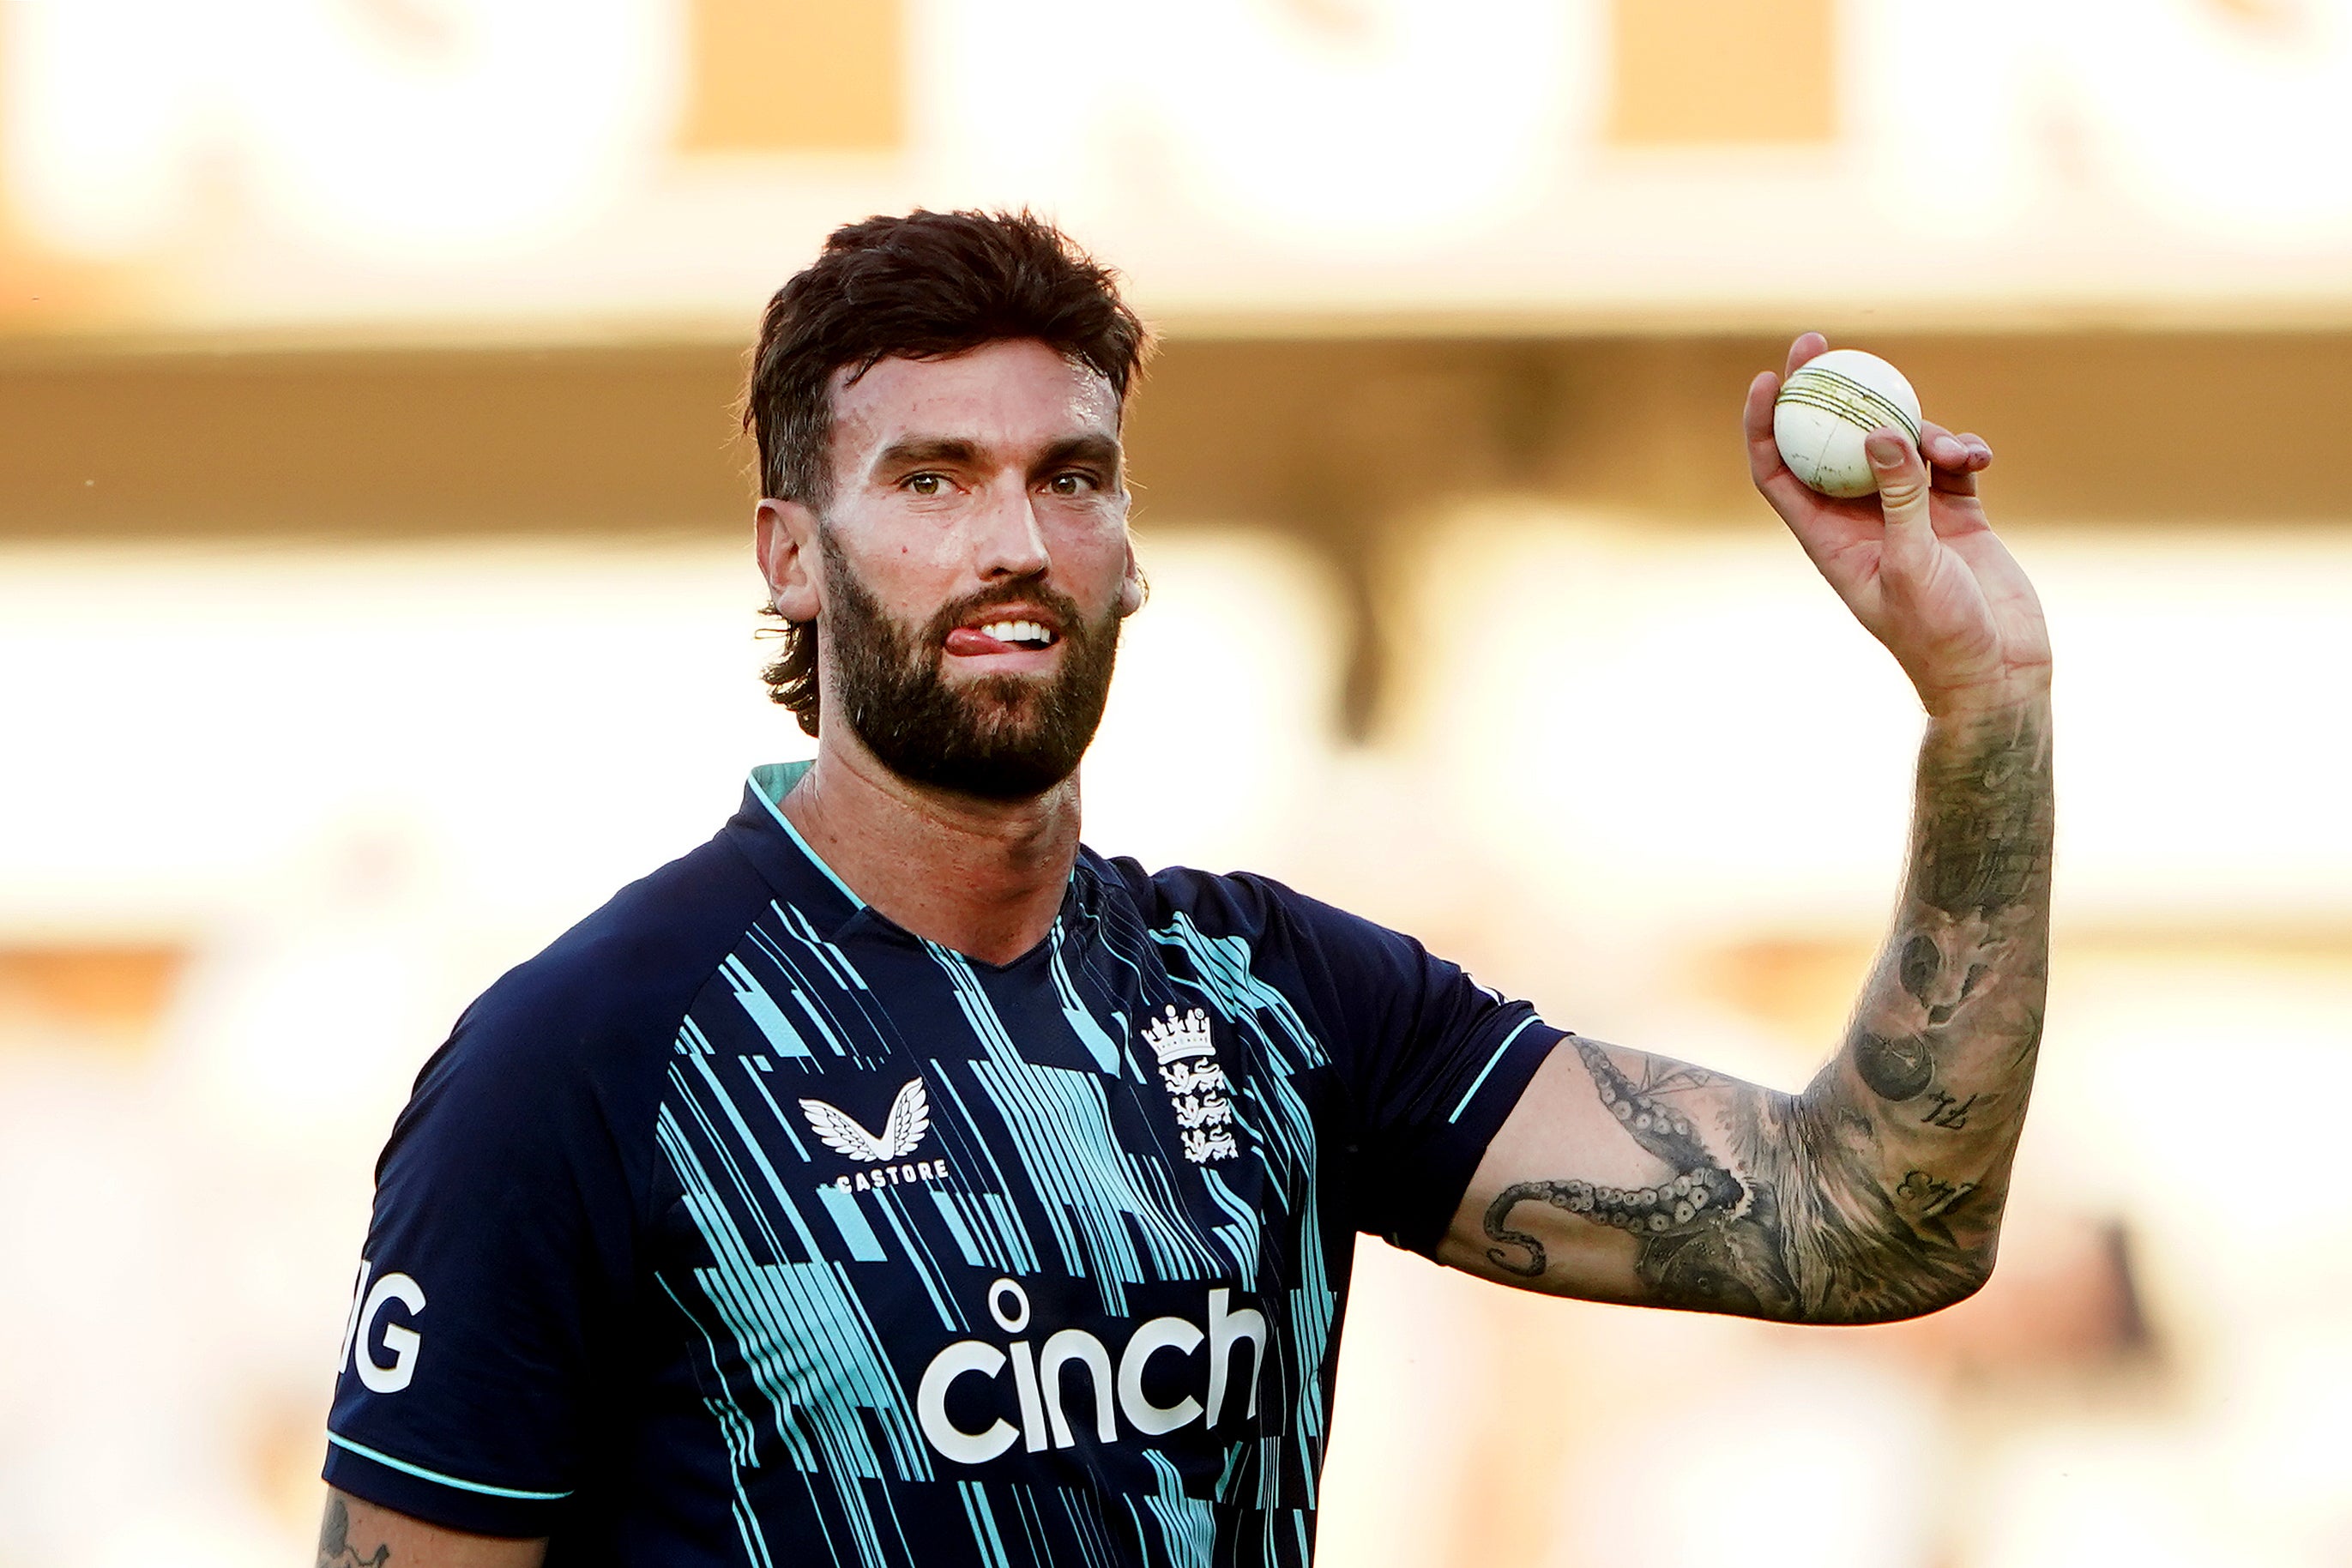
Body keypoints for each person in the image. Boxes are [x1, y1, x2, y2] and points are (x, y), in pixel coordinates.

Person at [317, 210, 2052, 1567]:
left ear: (1131, 543)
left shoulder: (1270, 1000)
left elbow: (1876, 1217)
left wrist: (1986, 709)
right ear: (792, 553)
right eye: (932, 478)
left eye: (1068, 475)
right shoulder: (588, 1057)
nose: (1016, 539)